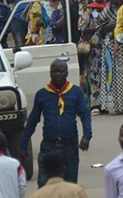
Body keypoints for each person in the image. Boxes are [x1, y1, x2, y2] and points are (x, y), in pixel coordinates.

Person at [22, 60, 92, 188]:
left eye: (61, 71)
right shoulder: (42, 94)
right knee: (44, 185)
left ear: (66, 73)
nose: (57, 74)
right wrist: (23, 144)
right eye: (54, 71)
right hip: (49, 146)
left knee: (70, 185)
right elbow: (33, 120)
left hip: (69, 146)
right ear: (50, 73)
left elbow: (85, 115)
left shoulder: (75, 92)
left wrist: (87, 136)